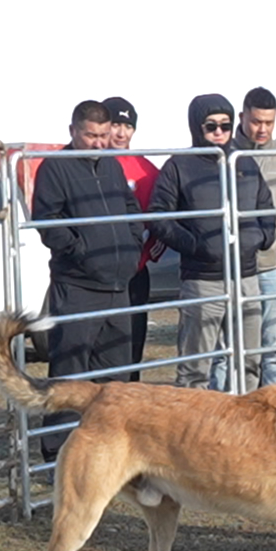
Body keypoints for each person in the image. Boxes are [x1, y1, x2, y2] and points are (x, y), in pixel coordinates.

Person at [31, 99, 142, 459]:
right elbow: (47, 222)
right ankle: (56, 454)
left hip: (118, 286)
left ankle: (112, 451)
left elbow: (128, 205)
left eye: (103, 135)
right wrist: (80, 252)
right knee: (69, 374)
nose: (98, 142)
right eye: (90, 135)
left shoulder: (110, 165)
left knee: (117, 375)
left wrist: (132, 239)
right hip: (78, 287)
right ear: (73, 131)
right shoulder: (54, 169)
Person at [149, 94, 274, 391]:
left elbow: (266, 207)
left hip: (246, 277)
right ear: (196, 126)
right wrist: (194, 245)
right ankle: (191, 435)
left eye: (226, 125)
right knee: (196, 367)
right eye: (211, 126)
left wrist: (260, 238)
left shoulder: (243, 162)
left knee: (249, 362)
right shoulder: (179, 166)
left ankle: (244, 431)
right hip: (203, 280)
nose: (219, 132)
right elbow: (158, 216)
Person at [224, 87, 276, 388]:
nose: (262, 129)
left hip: (275, 266)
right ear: (242, 117)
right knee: (232, 351)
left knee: (275, 349)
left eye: (269, 122)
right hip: (233, 269)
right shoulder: (222, 153)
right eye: (256, 122)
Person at [101, 96, 161, 377]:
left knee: (131, 344)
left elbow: (161, 218)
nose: (121, 132)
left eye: (127, 125)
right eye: (115, 124)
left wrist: (150, 252)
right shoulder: (84, 164)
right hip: (95, 272)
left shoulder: (147, 170)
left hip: (134, 273)